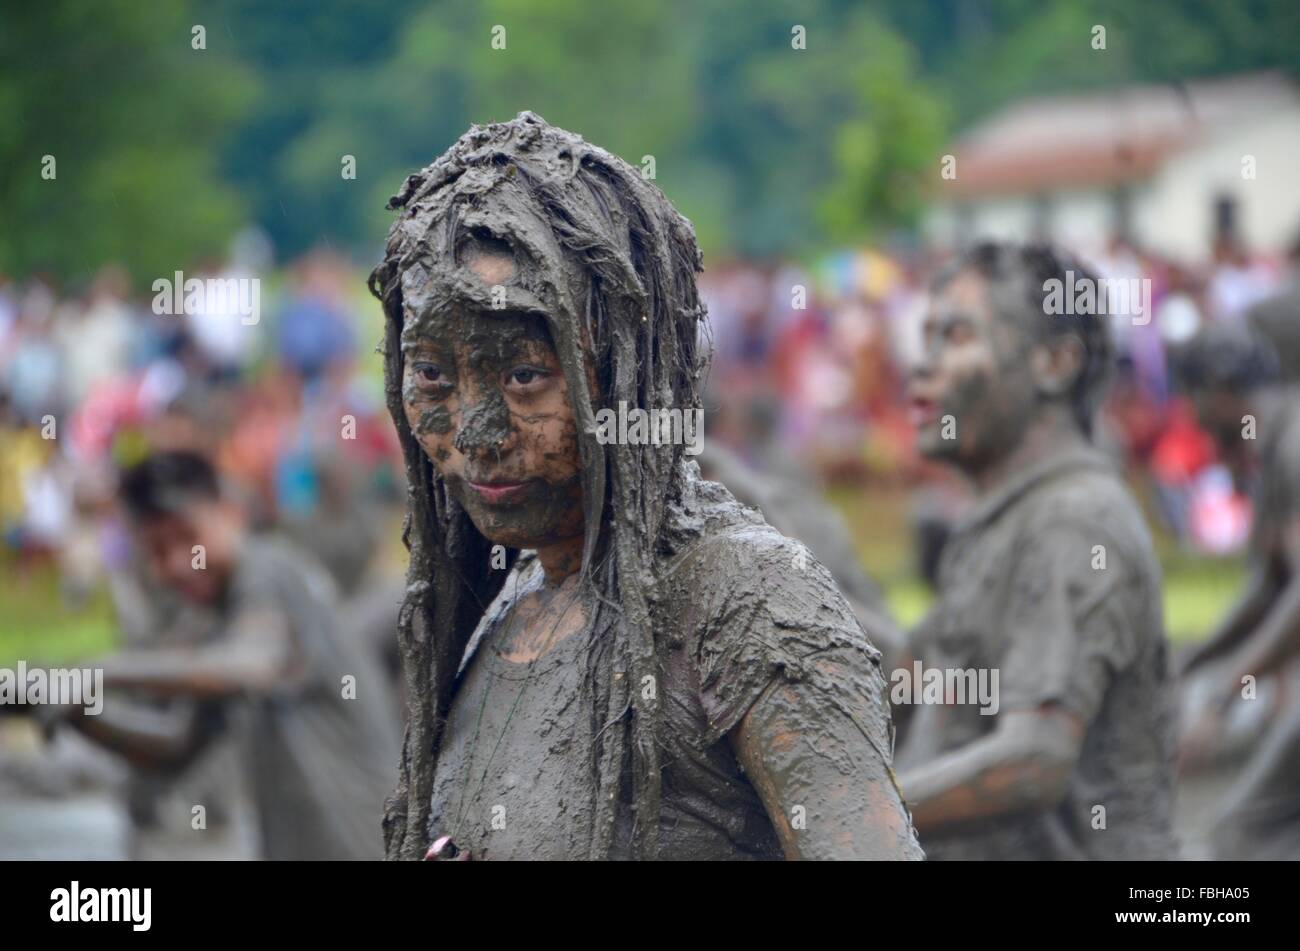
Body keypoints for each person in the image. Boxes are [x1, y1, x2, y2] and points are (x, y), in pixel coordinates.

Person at [369, 111, 922, 861]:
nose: (475, 432)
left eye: (526, 374)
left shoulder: (744, 601)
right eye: (432, 373)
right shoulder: (505, 599)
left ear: (631, 372)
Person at [895, 241, 1178, 860]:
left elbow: (1035, 758)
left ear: (1053, 363)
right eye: (927, 337)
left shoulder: (1073, 520)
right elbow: (915, 680)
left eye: (957, 335)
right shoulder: (999, 519)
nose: (923, 366)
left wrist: (850, 816)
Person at [67, 450, 399, 860]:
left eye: (187, 537)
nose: (177, 563)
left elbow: (251, 665)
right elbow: (177, 745)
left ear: (228, 512)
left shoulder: (268, 569)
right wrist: (80, 716)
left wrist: (104, 672)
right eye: (156, 551)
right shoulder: (218, 626)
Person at [1178, 322, 1300, 858]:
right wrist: (1193, 661)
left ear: (1219, 390)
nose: (1196, 420)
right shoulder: (1279, 442)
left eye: (1194, 401)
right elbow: (1271, 585)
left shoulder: (1293, 445)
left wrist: (1227, 693)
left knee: (1236, 839)